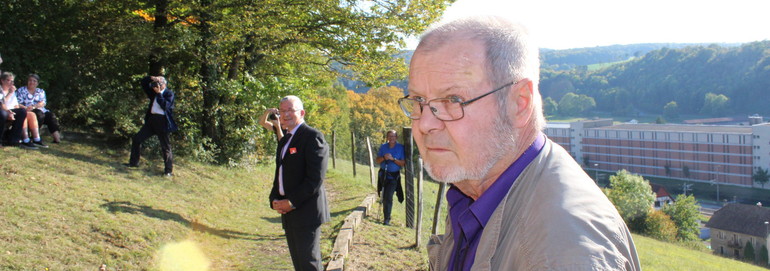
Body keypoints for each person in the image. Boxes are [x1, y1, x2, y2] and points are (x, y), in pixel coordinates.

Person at [399, 16, 641, 270]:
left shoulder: (564, 251)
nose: (425, 124)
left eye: (453, 99)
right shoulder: (477, 190)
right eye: (418, 99)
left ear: (519, 103)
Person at [268, 95, 330, 271]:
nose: (285, 114)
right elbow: (280, 173)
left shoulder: (312, 137)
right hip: (288, 212)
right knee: (299, 264)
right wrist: (274, 199)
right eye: (282, 111)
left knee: (309, 263)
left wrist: (291, 202)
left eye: (290, 110)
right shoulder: (285, 139)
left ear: (301, 113)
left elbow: (315, 179)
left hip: (306, 210)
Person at [126, 75, 177, 177]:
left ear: (164, 84)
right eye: (157, 84)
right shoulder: (153, 92)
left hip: (162, 121)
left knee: (165, 147)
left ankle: (168, 171)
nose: (157, 86)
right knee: (137, 139)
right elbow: (143, 83)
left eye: (160, 84)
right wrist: (152, 78)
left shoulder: (169, 94)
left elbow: (165, 106)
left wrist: (159, 94)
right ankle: (133, 163)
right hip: (152, 120)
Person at [16, 74, 62, 146]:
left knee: (51, 116)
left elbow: (43, 102)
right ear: (27, 81)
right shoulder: (21, 90)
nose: (32, 82)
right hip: (26, 110)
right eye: (30, 80)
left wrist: (34, 106)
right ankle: (35, 137)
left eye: (34, 81)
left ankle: (57, 138)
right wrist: (26, 108)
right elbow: (17, 103)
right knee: (39, 114)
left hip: (38, 109)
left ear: (37, 83)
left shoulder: (40, 91)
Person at [375, 130, 405, 226]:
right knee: (383, 195)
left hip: (393, 176)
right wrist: (384, 157)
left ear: (396, 137)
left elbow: (403, 163)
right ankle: (386, 216)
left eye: (393, 136)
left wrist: (393, 159)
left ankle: (386, 219)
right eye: (390, 136)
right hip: (383, 174)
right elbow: (378, 160)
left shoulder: (401, 148)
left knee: (388, 196)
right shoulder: (383, 147)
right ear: (387, 137)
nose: (391, 138)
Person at [0, 72, 34, 149]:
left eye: (12, 81)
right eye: (9, 80)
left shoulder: (12, 91)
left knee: (22, 112)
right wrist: (10, 93)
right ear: (2, 80)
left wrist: (12, 112)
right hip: (3, 110)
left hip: (10, 110)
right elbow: (2, 103)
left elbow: (16, 105)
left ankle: (14, 140)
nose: (11, 83)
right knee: (3, 114)